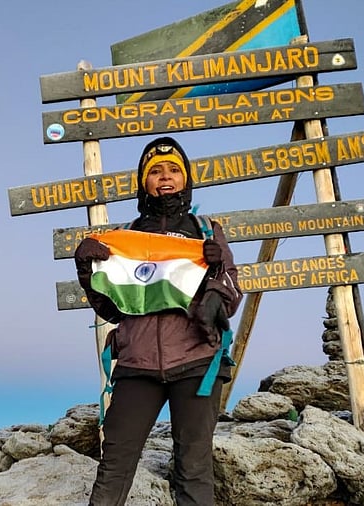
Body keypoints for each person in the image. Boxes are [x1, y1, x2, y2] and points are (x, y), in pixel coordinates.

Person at [74, 136, 243, 506]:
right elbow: (112, 309)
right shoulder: (125, 239)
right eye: (155, 171)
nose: (165, 177)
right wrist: (87, 271)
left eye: (173, 170)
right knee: (114, 465)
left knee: (193, 468)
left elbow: (232, 296)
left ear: (185, 179)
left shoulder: (206, 231)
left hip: (198, 362)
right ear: (143, 182)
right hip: (137, 364)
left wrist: (216, 282)